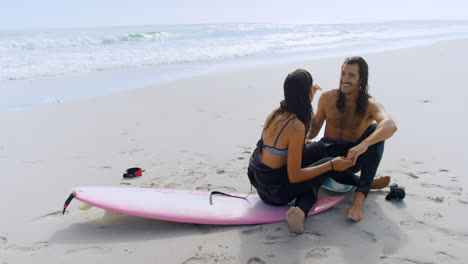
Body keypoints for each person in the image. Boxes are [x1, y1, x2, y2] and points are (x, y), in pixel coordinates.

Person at [247, 69, 354, 233]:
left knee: (317, 148)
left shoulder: (276, 113)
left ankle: (300, 210)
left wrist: (308, 99)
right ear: (304, 93)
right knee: (318, 173)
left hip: (261, 183)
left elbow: (287, 146)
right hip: (275, 193)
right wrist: (331, 165)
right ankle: (301, 212)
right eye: (309, 89)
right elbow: (295, 175)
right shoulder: (296, 125)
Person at [307, 56, 397, 222]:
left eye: (351, 75)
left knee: (375, 130)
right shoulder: (327, 97)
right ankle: (370, 184)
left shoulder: (370, 103)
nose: (345, 79)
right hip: (325, 152)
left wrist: (363, 145)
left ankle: (359, 198)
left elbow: (390, 125)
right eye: (343, 73)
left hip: (350, 158)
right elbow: (313, 132)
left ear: (361, 79)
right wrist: (307, 104)